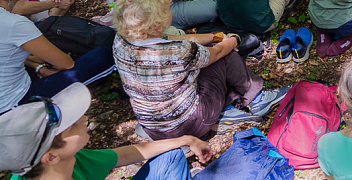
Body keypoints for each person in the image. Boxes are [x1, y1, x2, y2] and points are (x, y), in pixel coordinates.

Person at [112, 0, 289, 140]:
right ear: (157, 22)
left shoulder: (121, 40)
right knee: (224, 54)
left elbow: (172, 37)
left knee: (216, 49)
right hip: (190, 123)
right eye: (168, 9)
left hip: (153, 128)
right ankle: (258, 98)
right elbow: (217, 52)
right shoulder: (178, 51)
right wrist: (233, 39)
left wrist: (216, 35)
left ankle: (230, 104)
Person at [0, 82, 213, 180]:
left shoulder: (67, 160)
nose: (84, 119)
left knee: (172, 155)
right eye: (72, 124)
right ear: (51, 157)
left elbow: (123, 155)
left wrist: (186, 139)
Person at [0, 0, 114, 114]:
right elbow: (66, 64)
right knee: (103, 56)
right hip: (16, 103)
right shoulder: (15, 24)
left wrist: (36, 65)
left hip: (12, 86)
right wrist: (43, 70)